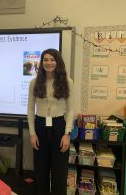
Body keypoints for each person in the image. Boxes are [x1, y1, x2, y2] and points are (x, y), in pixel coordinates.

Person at [27, 48, 74, 195]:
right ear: (41, 63)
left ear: (57, 62)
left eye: (52, 59)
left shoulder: (67, 81)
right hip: (40, 126)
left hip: (59, 126)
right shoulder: (34, 82)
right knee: (40, 171)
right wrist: (32, 134)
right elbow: (30, 110)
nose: (49, 62)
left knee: (60, 171)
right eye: (45, 60)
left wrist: (67, 134)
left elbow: (71, 110)